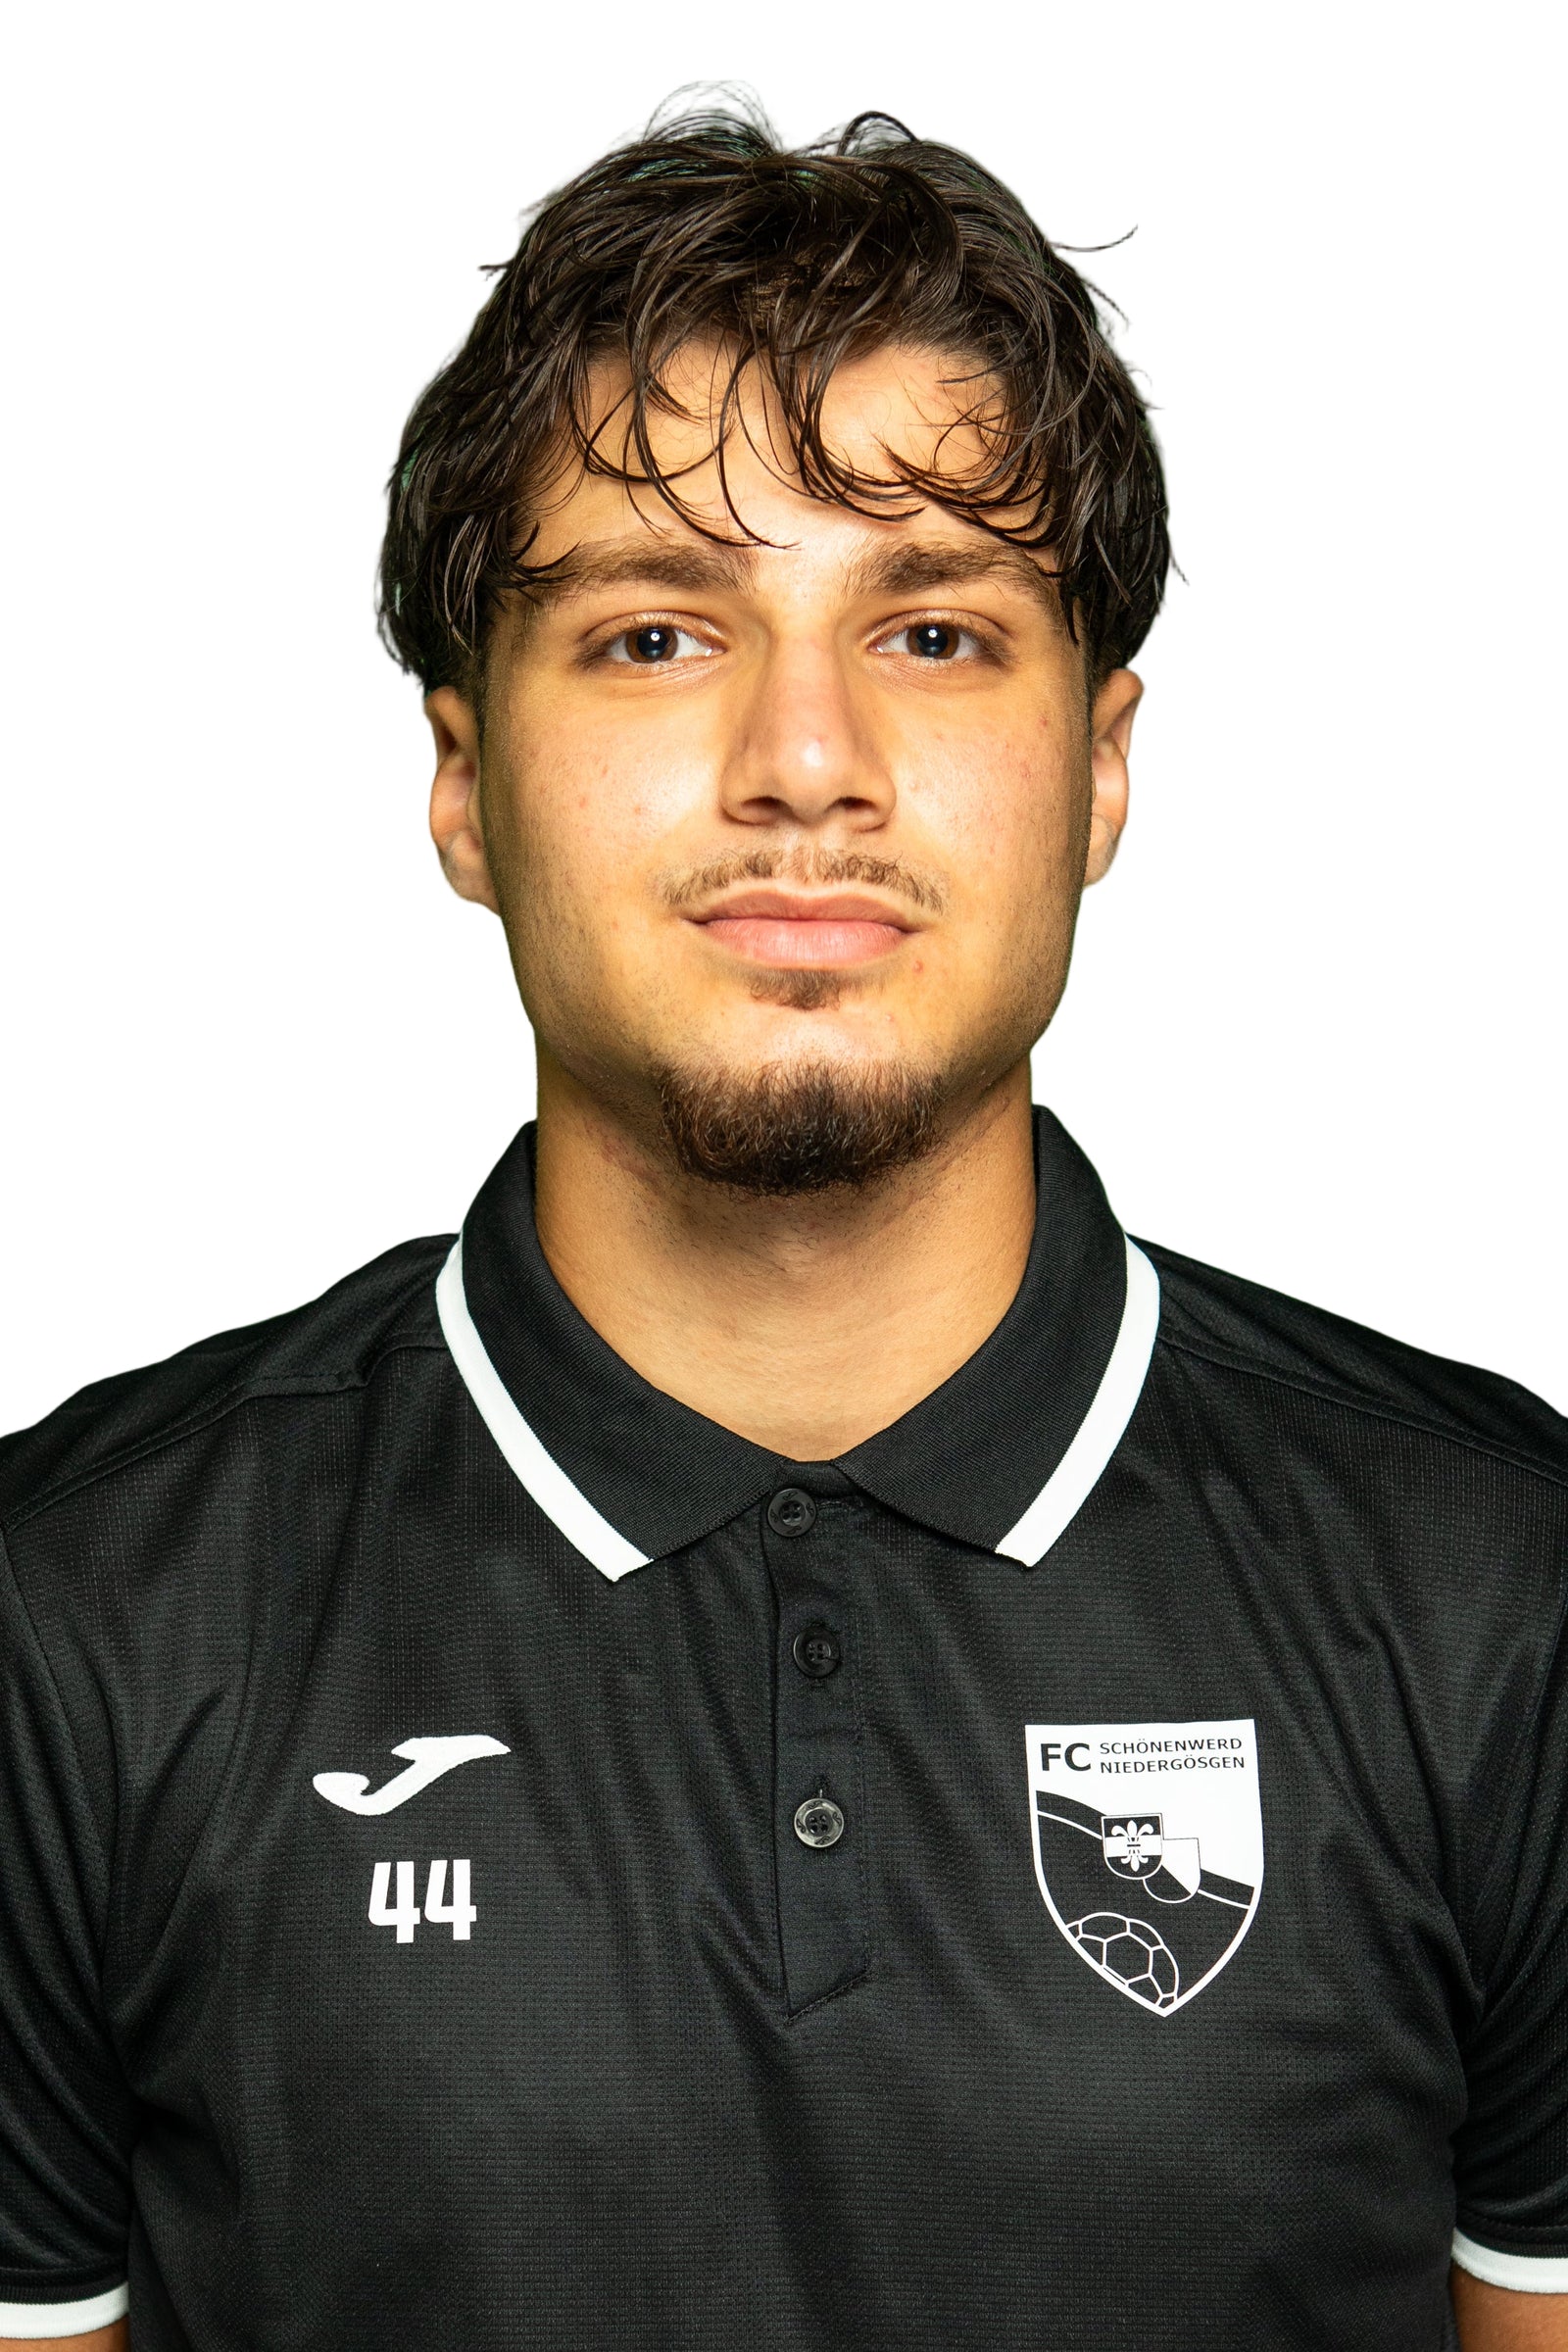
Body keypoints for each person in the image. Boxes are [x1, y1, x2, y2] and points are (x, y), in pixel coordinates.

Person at [1, 101, 1563, 2352]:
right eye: (654, 634)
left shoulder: (1497, 1595)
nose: (803, 757)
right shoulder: (77, 1624)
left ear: (1099, 767)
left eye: (928, 630)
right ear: (464, 781)